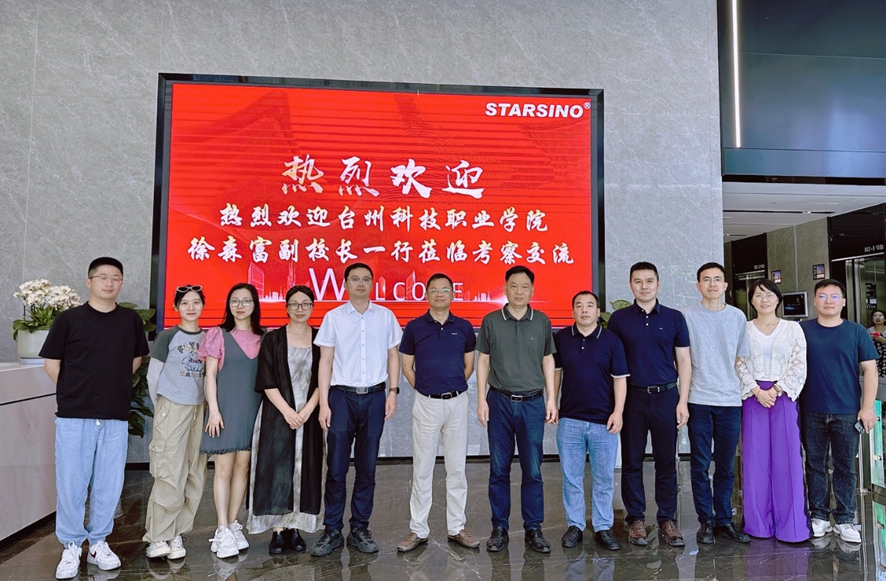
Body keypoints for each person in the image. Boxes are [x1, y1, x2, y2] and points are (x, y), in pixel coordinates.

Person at [40, 257, 149, 580]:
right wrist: (74, 393)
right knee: (71, 483)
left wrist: (111, 388)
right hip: (75, 415)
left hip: (114, 414)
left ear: (121, 282)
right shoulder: (69, 319)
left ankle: (99, 542)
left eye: (116, 277)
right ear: (89, 282)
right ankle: (72, 545)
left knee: (109, 484)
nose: (109, 283)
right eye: (103, 277)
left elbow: (135, 358)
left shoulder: (129, 320)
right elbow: (51, 365)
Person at [311, 263, 403, 557]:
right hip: (341, 397)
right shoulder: (333, 317)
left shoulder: (385, 316)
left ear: (372, 283)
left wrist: (393, 392)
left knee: (367, 466)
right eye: (355, 279)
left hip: (375, 397)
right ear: (346, 284)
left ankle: (360, 528)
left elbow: (393, 356)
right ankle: (332, 529)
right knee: (336, 467)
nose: (360, 284)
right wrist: (324, 403)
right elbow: (325, 361)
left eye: (366, 279)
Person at [607, 262, 691, 547]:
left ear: (658, 284)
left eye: (649, 281)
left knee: (666, 460)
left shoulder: (674, 317)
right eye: (638, 281)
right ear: (631, 284)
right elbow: (612, 363)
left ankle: (666, 518)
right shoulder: (619, 319)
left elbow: (684, 360)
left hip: (666, 396)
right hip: (633, 397)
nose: (644, 286)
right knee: (632, 460)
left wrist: (683, 400)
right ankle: (635, 518)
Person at [476, 265, 557, 554]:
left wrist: (551, 398)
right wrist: (481, 399)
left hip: (533, 403)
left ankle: (533, 528)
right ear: (505, 288)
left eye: (525, 286)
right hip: (499, 402)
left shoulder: (542, 321)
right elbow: (483, 360)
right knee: (498, 469)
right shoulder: (491, 320)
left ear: (532, 290)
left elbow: (548, 360)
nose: (519, 291)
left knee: (532, 469)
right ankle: (499, 527)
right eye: (514, 286)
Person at [397, 273, 480, 553]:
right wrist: (426, 389)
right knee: (422, 468)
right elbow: (406, 367)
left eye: (445, 290)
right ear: (427, 294)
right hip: (426, 403)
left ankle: (457, 528)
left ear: (453, 294)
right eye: (434, 290)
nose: (440, 294)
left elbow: (469, 366)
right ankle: (418, 529)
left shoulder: (464, 327)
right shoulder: (414, 327)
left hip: (457, 402)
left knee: (456, 468)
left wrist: (451, 388)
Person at [800, 279, 878, 544]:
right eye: (823, 296)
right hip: (810, 410)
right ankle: (819, 516)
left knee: (845, 467)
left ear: (843, 302)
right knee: (815, 465)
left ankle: (845, 519)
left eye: (834, 296)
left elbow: (870, 370)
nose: (828, 301)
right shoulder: (802, 330)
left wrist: (867, 407)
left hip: (847, 411)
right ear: (815, 301)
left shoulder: (856, 332)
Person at [247, 285, 323, 554]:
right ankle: (278, 530)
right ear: (287, 307)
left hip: (309, 414)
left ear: (312, 307)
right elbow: (267, 380)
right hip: (276, 414)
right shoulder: (273, 339)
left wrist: (307, 410)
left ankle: (296, 527)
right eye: (294, 304)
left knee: (305, 469)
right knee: (276, 468)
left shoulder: (321, 338)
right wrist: (288, 411)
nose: (300, 309)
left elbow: (324, 378)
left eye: (305, 304)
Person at [554, 291, 629, 551]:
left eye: (589, 306)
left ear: (598, 312)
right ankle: (575, 525)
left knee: (604, 478)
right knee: (571, 477)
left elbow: (620, 379)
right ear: (573, 311)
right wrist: (552, 402)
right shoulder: (562, 338)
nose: (584, 310)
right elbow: (556, 373)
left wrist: (618, 412)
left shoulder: (611, 340)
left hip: (603, 421)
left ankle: (602, 527)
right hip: (570, 420)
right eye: (579, 305)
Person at [735, 279, 808, 542]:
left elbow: (799, 363)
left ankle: (793, 526)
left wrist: (776, 390)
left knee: (787, 459)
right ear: (751, 301)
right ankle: (758, 524)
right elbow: (738, 363)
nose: (764, 300)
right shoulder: (743, 329)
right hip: (753, 397)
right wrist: (757, 390)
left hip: (783, 396)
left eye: (769, 295)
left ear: (778, 299)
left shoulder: (793, 329)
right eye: (758, 295)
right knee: (754, 459)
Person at [682, 262, 751, 544]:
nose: (712, 284)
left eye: (717, 279)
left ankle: (724, 520)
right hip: (698, 399)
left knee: (725, 466)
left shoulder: (737, 317)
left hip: (729, 401)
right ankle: (706, 521)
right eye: (706, 279)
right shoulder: (686, 316)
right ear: (698, 285)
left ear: (725, 285)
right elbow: (680, 359)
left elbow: (740, 358)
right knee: (699, 465)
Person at [200, 283, 264, 559]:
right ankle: (221, 528)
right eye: (235, 300)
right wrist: (214, 410)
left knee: (243, 468)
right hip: (224, 411)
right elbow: (210, 376)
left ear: (255, 305)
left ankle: (234, 524)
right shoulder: (218, 335)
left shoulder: (264, 337)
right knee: (223, 469)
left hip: (253, 411)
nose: (240, 306)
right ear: (228, 305)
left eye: (246, 300)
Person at [144, 285, 208, 560]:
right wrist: (162, 406)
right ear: (176, 307)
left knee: (194, 472)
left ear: (203, 305)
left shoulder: (209, 337)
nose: (191, 307)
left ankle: (177, 532)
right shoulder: (167, 336)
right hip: (172, 407)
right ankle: (158, 536)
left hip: (199, 409)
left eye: (196, 302)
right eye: (185, 303)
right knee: (169, 471)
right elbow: (152, 377)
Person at [867, 309, 886, 378]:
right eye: (875, 316)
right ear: (872, 319)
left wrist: (883, 340)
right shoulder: (869, 331)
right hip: (873, 358)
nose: (878, 318)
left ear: (885, 319)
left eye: (880, 316)